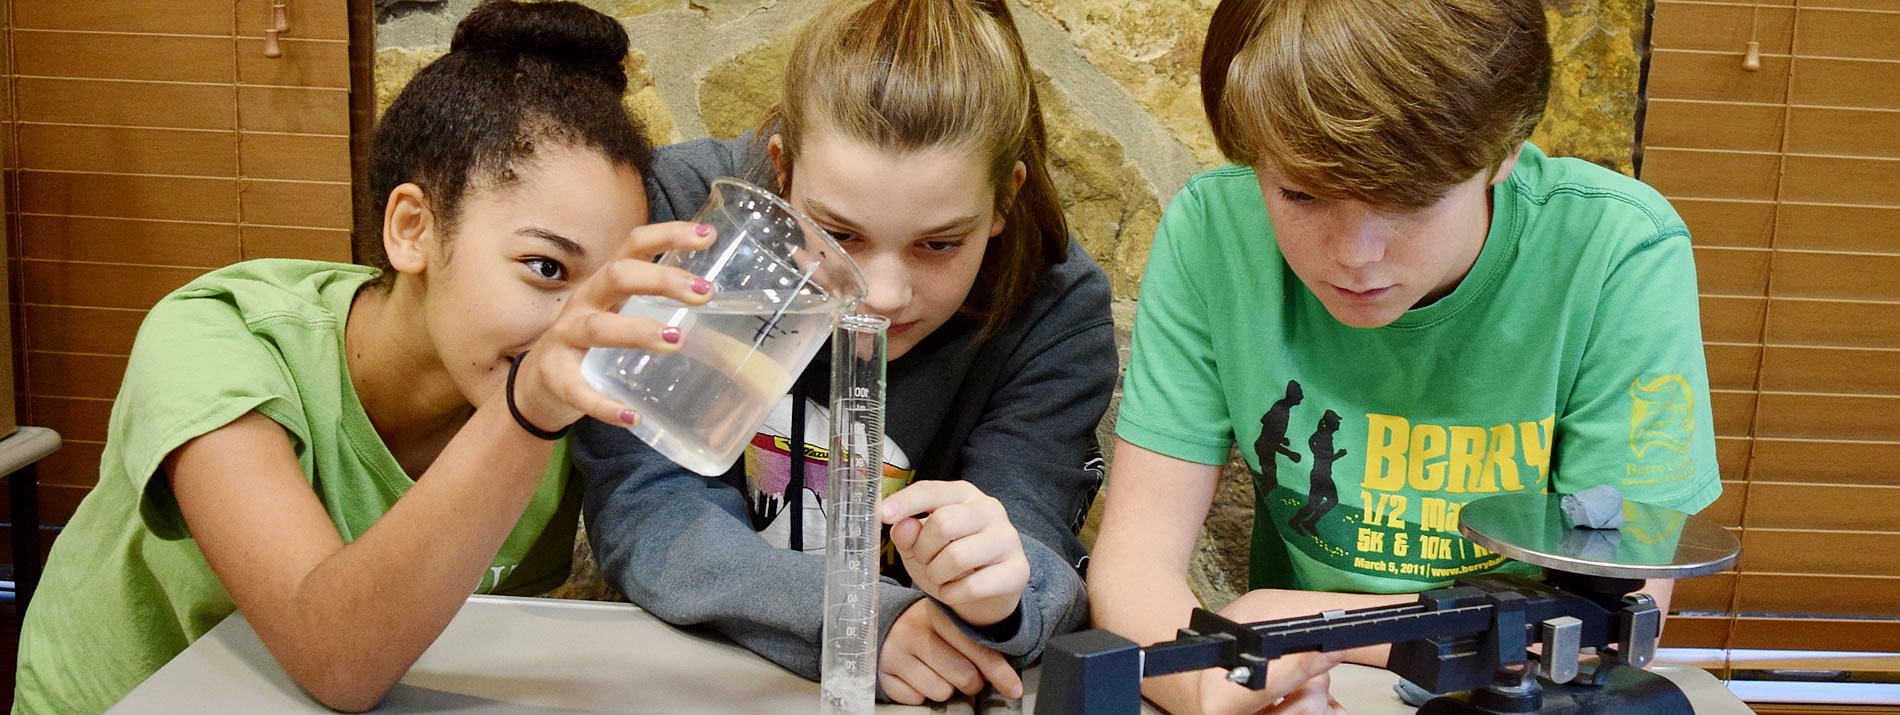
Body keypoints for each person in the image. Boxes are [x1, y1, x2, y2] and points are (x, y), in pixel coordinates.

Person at [12, 3, 714, 712]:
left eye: (607, 290)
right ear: (412, 228)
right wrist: (526, 414)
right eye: (546, 268)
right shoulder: (218, 340)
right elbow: (338, 656)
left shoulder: (563, 406)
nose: (582, 328)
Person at [1088, 0, 1724, 712]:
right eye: (1299, 192)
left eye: (1410, 197)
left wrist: (1302, 621)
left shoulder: (1616, 252)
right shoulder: (1214, 234)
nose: (1354, 255)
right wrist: (1210, 684)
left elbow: (1604, 627)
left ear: (1503, 150)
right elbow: (1134, 563)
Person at [572, 0, 1119, 705]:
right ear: (781, 170)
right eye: (840, 232)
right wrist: (861, 622)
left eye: (940, 243)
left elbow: (1038, 552)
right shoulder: (687, 209)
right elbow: (646, 503)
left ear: (1004, 199)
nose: (884, 294)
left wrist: (999, 592)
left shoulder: (1058, 305)